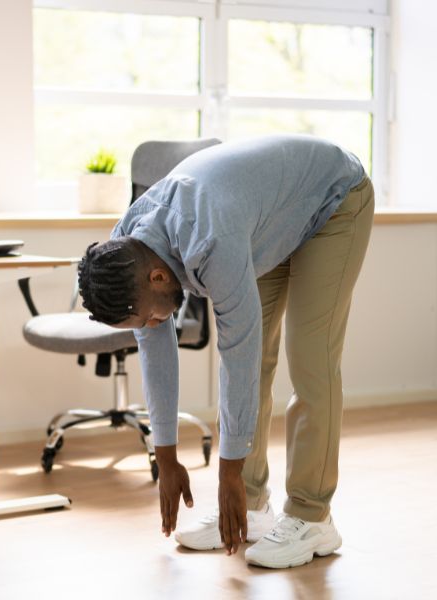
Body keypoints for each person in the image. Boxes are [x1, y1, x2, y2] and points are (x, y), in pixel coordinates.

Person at [76, 134, 374, 569]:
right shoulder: (127, 250)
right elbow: (158, 351)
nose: (153, 326)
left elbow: (237, 354)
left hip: (333, 198)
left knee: (310, 359)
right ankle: (250, 505)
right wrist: (166, 456)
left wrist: (226, 472)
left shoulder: (210, 242)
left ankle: (313, 516)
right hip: (269, 216)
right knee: (259, 366)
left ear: (159, 277)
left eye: (150, 317)